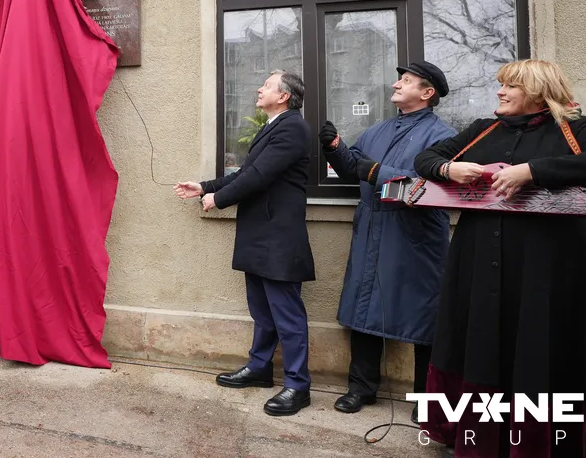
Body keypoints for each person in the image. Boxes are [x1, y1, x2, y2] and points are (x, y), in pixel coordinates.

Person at [414, 59, 586, 456]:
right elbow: (425, 160)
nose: (500, 92)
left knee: (540, 345)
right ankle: (485, 440)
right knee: (484, 345)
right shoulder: (482, 129)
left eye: (510, 86)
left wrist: (531, 170)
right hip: (479, 263)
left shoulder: (576, 127)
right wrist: (449, 168)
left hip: (550, 268)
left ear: (537, 91)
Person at [174, 70, 315, 417]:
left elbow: (258, 176)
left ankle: (298, 385)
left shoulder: (293, 128)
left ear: (283, 96)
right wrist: (205, 187)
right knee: (262, 311)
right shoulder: (273, 127)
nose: (259, 89)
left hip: (278, 236)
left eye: (266, 85)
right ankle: (260, 367)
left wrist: (218, 199)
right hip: (260, 233)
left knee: (287, 315)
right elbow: (246, 172)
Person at [319, 62, 456, 414]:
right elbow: (353, 168)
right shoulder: (378, 130)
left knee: (426, 317)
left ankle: (427, 401)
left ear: (427, 93)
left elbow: (428, 189)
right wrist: (334, 147)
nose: (396, 84)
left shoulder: (443, 137)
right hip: (371, 229)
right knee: (364, 308)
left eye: (406, 81)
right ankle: (361, 389)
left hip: (415, 236)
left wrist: (376, 172)